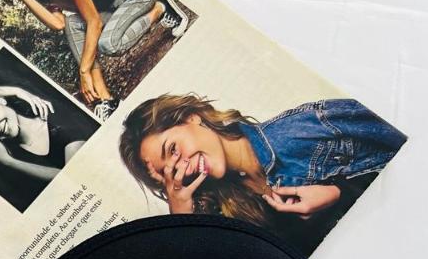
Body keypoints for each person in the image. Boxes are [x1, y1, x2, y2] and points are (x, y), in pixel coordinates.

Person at [118, 93, 407, 230]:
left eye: (173, 150)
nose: (184, 167)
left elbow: (412, 154)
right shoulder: (222, 214)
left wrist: (339, 192)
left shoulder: (309, 125)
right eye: (170, 172)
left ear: (192, 118)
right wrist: (182, 216)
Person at [0, 0, 190, 122]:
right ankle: (107, 100)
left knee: (109, 44)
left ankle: (161, 7)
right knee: (71, 24)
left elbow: (94, 22)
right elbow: (58, 24)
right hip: (113, 12)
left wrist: (84, 72)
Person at [0, 84, 90, 209]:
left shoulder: (53, 114)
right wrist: (7, 160)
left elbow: (71, 179)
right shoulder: (14, 153)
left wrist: (15, 91)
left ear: (0, 100)